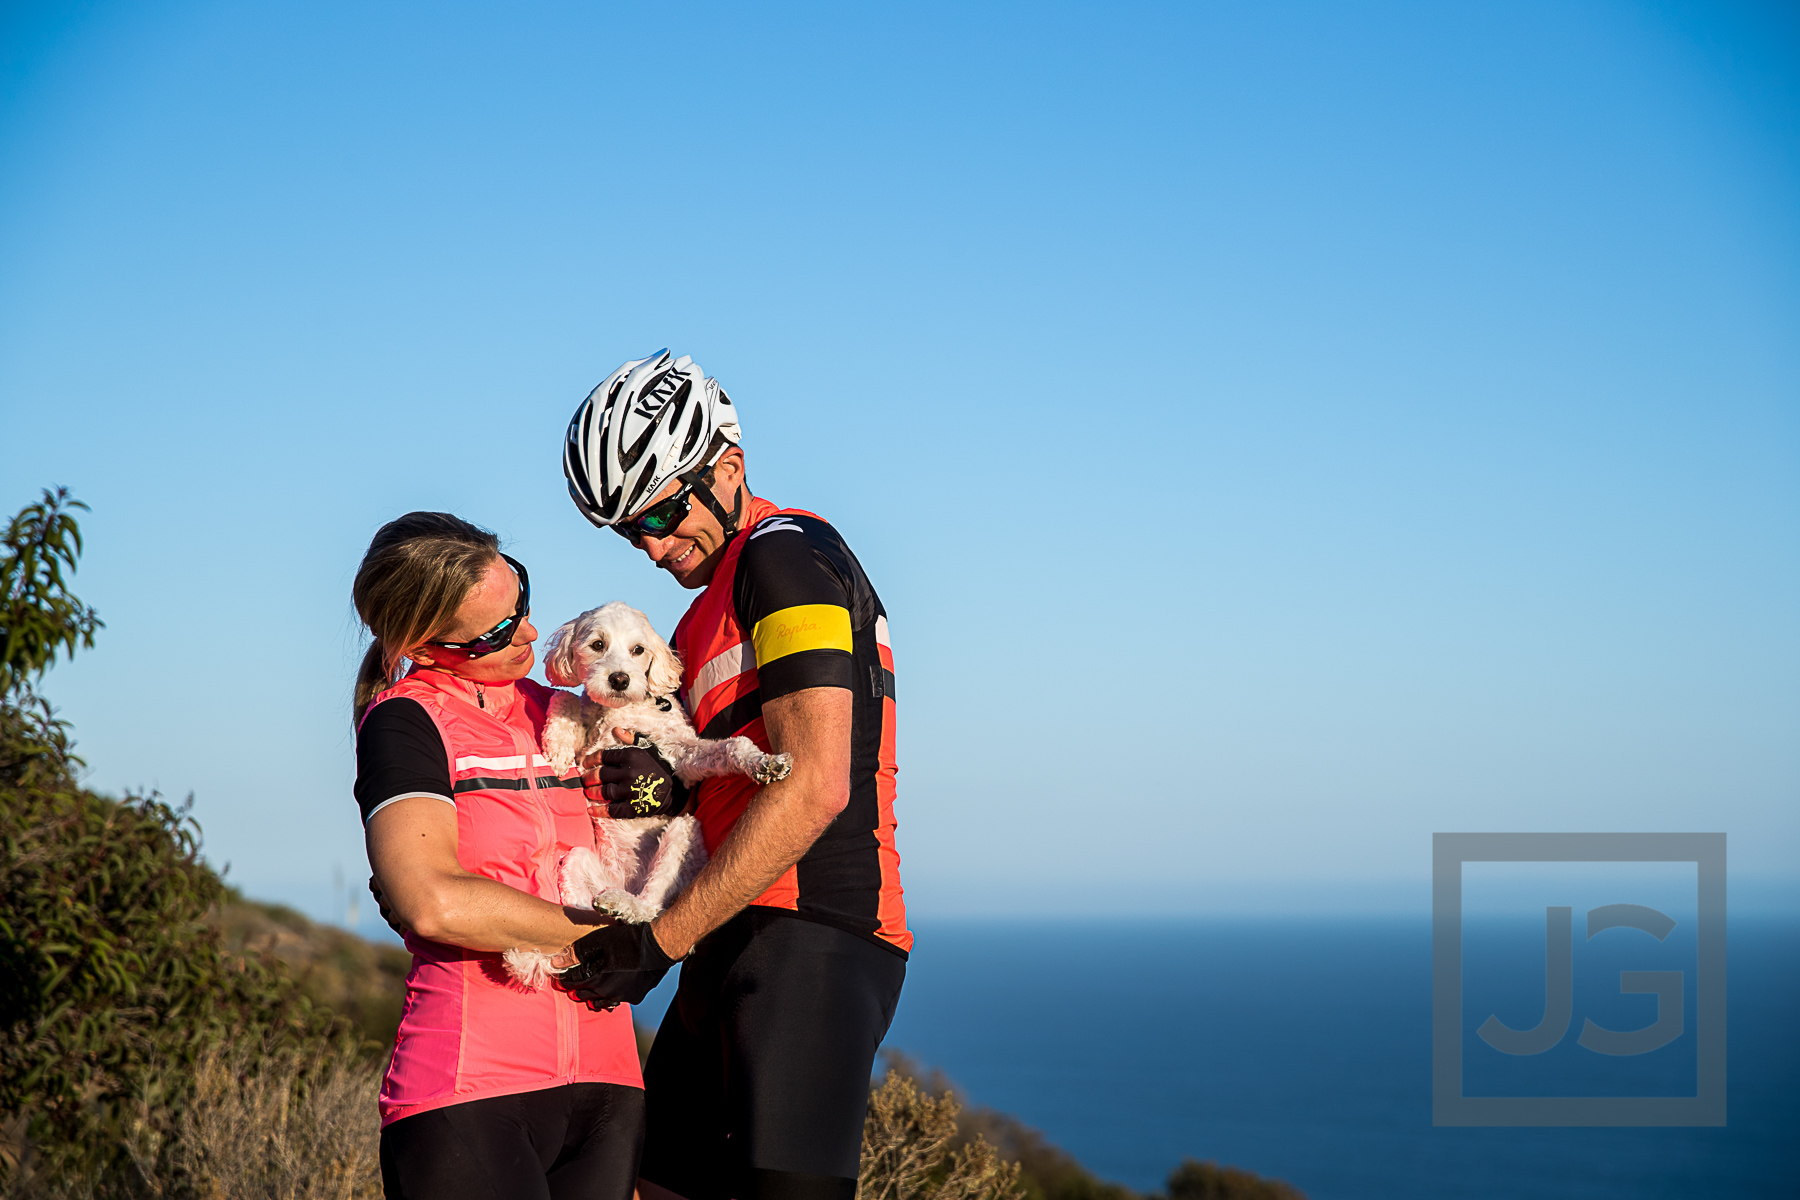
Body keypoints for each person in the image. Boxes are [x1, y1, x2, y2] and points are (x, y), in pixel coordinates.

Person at [557, 351, 910, 1200]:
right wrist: (664, 789)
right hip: (727, 931)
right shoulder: (701, 606)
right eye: (627, 528)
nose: (650, 543)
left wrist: (657, 940)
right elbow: (726, 771)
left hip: (812, 929)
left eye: (665, 511)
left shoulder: (783, 558)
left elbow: (817, 780)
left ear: (730, 467)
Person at [351, 511, 669, 1200]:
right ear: (423, 644)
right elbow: (433, 900)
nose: (529, 632)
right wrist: (615, 939)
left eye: (522, 601)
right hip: (470, 1092)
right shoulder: (406, 721)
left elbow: (664, 840)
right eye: (498, 631)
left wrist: (668, 786)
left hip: (611, 1086)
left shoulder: (574, 713)